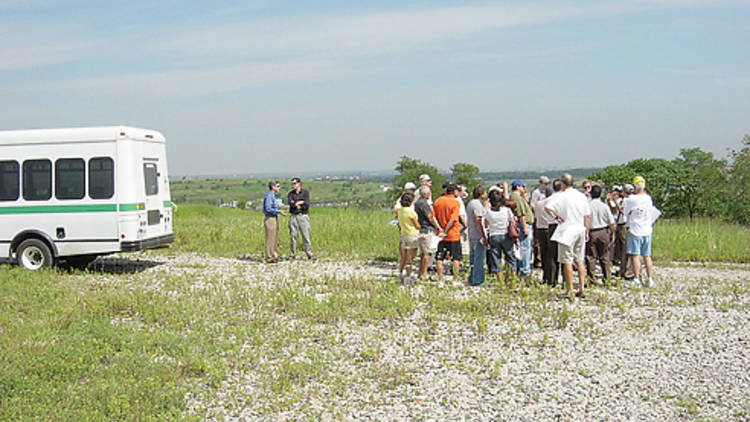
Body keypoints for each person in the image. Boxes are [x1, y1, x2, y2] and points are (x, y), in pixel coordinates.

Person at [545, 174, 591, 298]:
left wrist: (556, 217)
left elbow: (548, 207)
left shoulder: (561, 196)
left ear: (562, 183)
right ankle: (582, 288)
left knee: (567, 261)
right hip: (580, 228)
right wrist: (587, 230)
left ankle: (569, 290)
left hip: (567, 229)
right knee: (580, 260)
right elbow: (587, 215)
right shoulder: (581, 196)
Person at [623, 176, 657, 287]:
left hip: (635, 229)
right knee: (647, 256)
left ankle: (637, 278)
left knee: (635, 255)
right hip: (647, 229)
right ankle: (650, 278)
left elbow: (625, 212)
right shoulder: (648, 198)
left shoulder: (631, 199)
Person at [585, 185, 615, 285]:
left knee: (590, 256)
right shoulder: (604, 206)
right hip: (603, 231)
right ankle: (607, 278)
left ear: (591, 194)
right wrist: (612, 233)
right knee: (604, 256)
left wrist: (586, 232)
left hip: (592, 231)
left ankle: (591, 279)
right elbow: (611, 222)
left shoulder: (587, 205)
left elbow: (585, 220)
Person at [484, 189, 516, 279]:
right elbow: (512, 222)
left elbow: (486, 224)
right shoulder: (506, 210)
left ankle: (500, 279)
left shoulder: (488, 212)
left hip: (493, 235)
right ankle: (512, 277)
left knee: (496, 258)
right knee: (510, 257)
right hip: (505, 234)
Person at [433, 183, 462, 282]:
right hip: (453, 234)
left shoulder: (437, 201)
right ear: (454, 192)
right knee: (455, 258)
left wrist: (439, 229)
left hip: (440, 235)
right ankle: (455, 279)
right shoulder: (455, 203)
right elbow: (453, 219)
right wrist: (445, 231)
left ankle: (441, 279)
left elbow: (433, 217)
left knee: (440, 257)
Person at [415, 185, 441, 279]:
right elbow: (430, 217)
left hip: (420, 229)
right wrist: (437, 226)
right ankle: (424, 273)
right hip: (426, 229)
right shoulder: (424, 204)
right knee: (427, 253)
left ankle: (420, 272)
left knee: (422, 253)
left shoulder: (417, 203)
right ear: (425, 194)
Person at [509, 179, 534, 277]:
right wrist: (525, 228)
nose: (524, 189)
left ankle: (521, 270)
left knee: (522, 248)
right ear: (518, 187)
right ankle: (524, 271)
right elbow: (521, 215)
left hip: (523, 224)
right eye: (522, 187)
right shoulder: (517, 198)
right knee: (525, 248)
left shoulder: (516, 197)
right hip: (524, 224)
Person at [466, 185, 488, 286]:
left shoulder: (471, 203)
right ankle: (478, 280)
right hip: (477, 235)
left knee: (473, 257)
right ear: (482, 194)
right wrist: (483, 235)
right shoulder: (477, 205)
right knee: (478, 258)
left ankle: (471, 277)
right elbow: (478, 220)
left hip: (471, 233)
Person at [287, 177, 314, 260]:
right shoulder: (291, 194)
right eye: (292, 184)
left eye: (294, 183)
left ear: (299, 183)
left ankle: (309, 254)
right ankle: (292, 254)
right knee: (293, 236)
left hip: (303, 216)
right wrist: (298, 203)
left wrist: (300, 203)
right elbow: (290, 203)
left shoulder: (305, 193)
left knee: (305, 236)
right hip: (293, 216)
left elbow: (306, 204)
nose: (293, 185)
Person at [543, 180, 563, 286]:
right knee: (564, 253)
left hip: (551, 226)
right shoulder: (564, 198)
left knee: (552, 254)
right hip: (562, 225)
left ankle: (552, 280)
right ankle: (565, 280)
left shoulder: (549, 199)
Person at [397, 192, 420, 281]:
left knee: (405, 255)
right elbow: (417, 225)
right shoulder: (410, 211)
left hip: (404, 234)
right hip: (412, 234)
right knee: (410, 257)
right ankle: (408, 276)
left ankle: (400, 272)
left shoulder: (400, 210)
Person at [262, 180, 285, 263]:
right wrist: (278, 212)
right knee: (270, 238)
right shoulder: (269, 196)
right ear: (273, 187)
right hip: (270, 218)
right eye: (278, 186)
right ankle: (269, 256)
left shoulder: (272, 195)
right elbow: (268, 208)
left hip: (274, 217)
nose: (279, 188)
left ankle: (273, 255)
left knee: (274, 237)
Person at [530, 176, 550, 268]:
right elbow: (532, 205)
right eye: (544, 184)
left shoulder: (546, 192)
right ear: (540, 183)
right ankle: (538, 259)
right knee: (537, 241)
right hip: (539, 218)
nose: (546, 186)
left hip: (546, 218)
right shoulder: (536, 193)